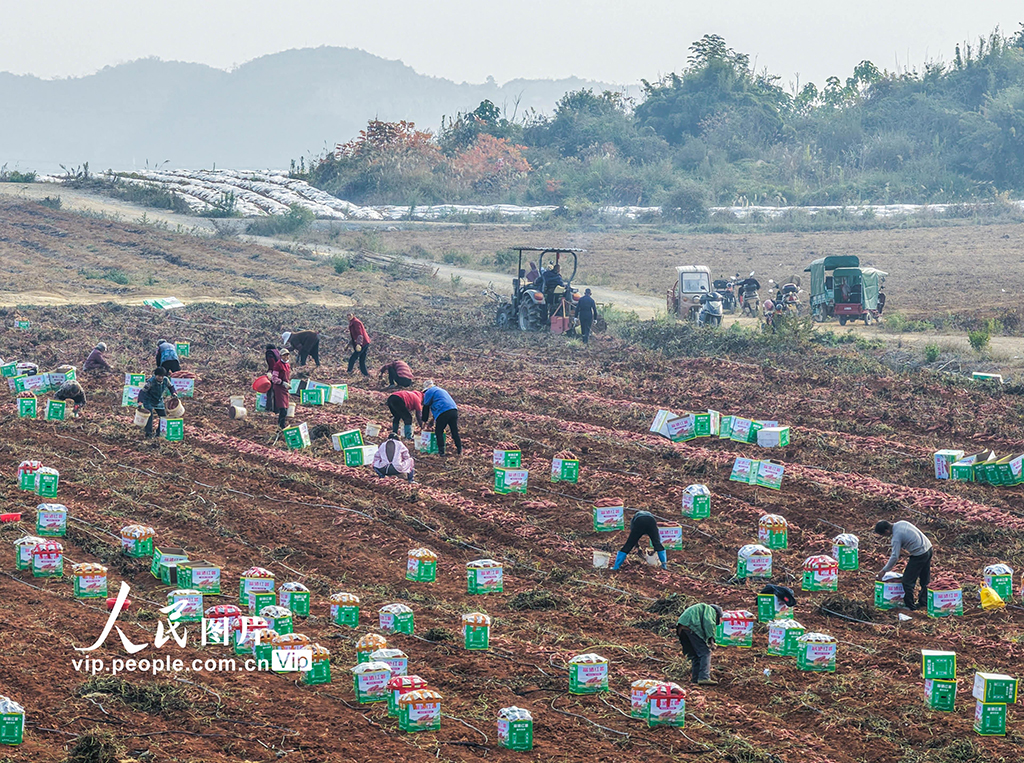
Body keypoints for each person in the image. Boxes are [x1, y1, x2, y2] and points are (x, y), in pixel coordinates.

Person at [875, 520, 933, 610]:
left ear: (887, 531)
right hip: (928, 548)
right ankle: (923, 602)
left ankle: (910, 606)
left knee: (907, 581)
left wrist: (884, 570)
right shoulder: (901, 523)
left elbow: (894, 557)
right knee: (925, 579)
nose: (885, 537)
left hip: (919, 554)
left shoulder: (896, 537)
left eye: (883, 535)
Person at [676, 603, 724, 686]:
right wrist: (711, 639)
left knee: (696, 654)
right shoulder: (710, 610)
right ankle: (704, 678)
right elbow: (709, 623)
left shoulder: (701, 609)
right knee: (705, 652)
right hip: (691, 626)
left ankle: (695, 679)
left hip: (682, 627)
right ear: (717, 614)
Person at [422, 381, 461, 456]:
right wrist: (432, 420)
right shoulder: (441, 390)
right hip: (453, 410)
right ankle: (459, 449)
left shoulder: (428, 392)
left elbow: (426, 407)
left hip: (443, 412)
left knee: (439, 431)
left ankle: (441, 452)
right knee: (454, 430)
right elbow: (442, 404)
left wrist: (424, 420)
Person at [139, 367, 174, 438]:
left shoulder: (166, 380)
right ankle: (148, 434)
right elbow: (142, 392)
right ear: (155, 375)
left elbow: (171, 387)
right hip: (148, 400)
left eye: (162, 376)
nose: (160, 377)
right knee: (150, 416)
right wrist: (140, 402)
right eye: (159, 376)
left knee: (163, 416)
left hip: (158, 400)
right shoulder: (150, 382)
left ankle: (159, 433)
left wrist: (174, 393)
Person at [266, 347, 292, 429]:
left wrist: (288, 383)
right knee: (282, 408)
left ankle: (282, 424)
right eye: (284, 355)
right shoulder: (278, 365)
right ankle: (281, 426)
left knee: (286, 407)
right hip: (279, 388)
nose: (286, 357)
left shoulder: (287, 365)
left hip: (285, 388)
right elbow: (274, 378)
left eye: (287, 355)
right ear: (281, 356)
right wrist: (282, 383)